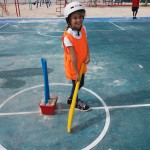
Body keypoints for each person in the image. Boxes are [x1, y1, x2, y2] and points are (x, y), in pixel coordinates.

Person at [62, 2, 90, 111]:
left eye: (80, 17)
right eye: (75, 18)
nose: (78, 20)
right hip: (73, 66)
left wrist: (88, 54)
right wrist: (76, 73)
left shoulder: (83, 29)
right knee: (77, 84)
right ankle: (75, 102)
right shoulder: (68, 37)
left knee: (80, 83)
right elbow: (73, 56)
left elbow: (85, 43)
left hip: (81, 63)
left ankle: (71, 98)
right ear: (69, 20)